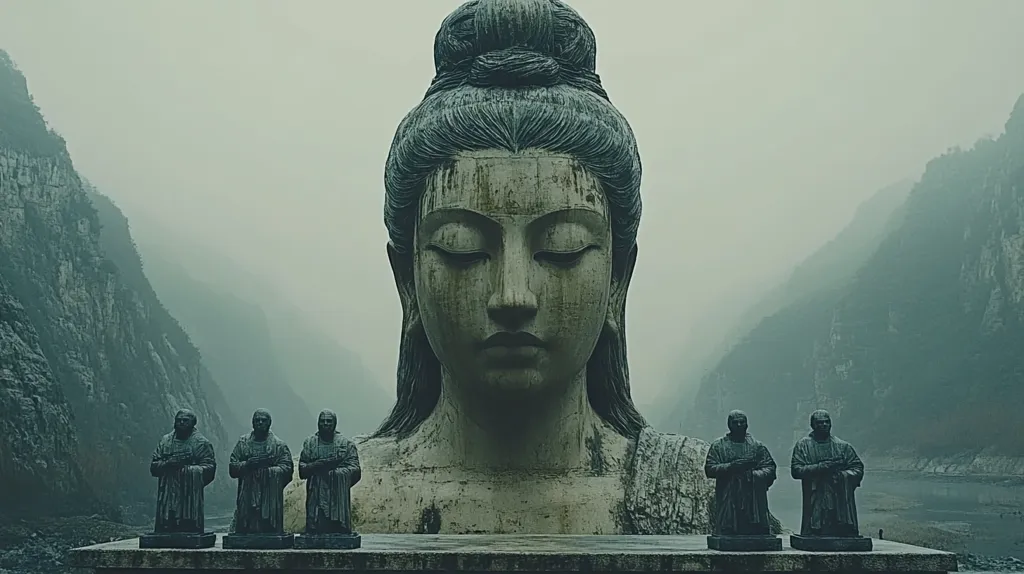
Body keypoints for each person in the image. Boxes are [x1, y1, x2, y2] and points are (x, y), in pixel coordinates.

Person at [284, 0, 714, 534]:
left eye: (561, 248)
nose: (513, 295)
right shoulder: (330, 503)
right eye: (464, 250)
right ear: (407, 281)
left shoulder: (701, 499)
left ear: (618, 281)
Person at [791, 410, 864, 537]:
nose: (824, 425)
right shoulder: (803, 446)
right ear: (812, 425)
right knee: (816, 524)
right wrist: (820, 467)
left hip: (839, 496)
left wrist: (841, 476)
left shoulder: (843, 446)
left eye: (827, 422)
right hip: (814, 496)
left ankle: (843, 529)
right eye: (820, 422)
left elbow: (857, 467)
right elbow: (796, 470)